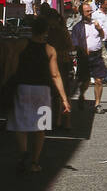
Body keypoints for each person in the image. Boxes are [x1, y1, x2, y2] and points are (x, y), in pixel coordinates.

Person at [4, 15, 70, 174]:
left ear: (32, 29)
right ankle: (34, 161)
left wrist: (7, 82)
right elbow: (55, 75)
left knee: (21, 124)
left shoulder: (21, 44)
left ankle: (23, 154)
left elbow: (12, 67)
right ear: (46, 31)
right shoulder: (50, 49)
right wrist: (64, 99)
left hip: (23, 87)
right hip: (43, 91)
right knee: (40, 128)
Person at [39, 3, 76, 130]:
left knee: (61, 93)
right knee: (57, 94)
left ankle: (65, 121)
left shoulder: (59, 31)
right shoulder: (54, 31)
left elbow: (70, 46)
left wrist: (55, 52)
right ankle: (59, 120)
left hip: (60, 63)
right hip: (57, 62)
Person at [71, 0, 107, 113]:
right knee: (85, 81)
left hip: (97, 55)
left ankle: (97, 104)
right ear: (82, 13)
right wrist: (82, 49)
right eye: (87, 11)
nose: (90, 13)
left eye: (90, 11)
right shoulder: (77, 27)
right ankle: (81, 96)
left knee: (99, 80)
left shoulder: (96, 24)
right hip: (84, 57)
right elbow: (74, 43)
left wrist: (99, 29)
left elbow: (103, 36)